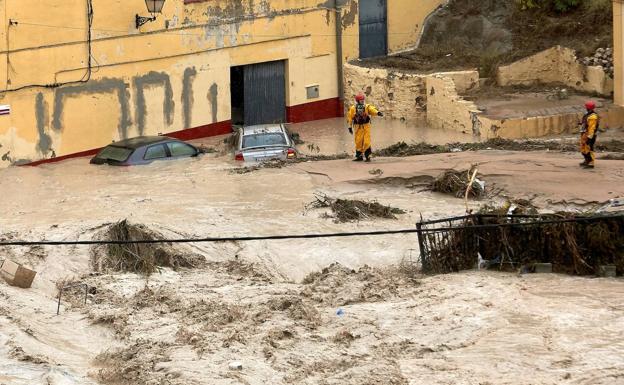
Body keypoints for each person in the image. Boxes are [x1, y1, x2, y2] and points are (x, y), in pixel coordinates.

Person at [347, 93, 383, 162]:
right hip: (357, 127)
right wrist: (350, 127)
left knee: (367, 141)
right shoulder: (353, 108)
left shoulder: (366, 106)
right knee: (358, 142)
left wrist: (377, 112)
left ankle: (368, 156)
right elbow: (350, 118)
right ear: (357, 101)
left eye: (363, 100)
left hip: (366, 126)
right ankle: (359, 156)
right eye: (361, 100)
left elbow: (372, 110)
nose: (362, 101)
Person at [579, 100, 599, 169]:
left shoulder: (593, 117)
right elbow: (586, 123)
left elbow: (592, 128)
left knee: (589, 148)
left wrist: (589, 137)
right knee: (583, 148)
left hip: (589, 135)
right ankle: (586, 160)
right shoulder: (588, 114)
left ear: (589, 107)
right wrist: (581, 123)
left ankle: (591, 163)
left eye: (586, 107)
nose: (585, 108)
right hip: (584, 133)